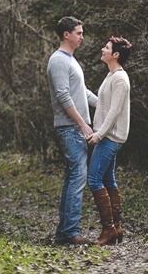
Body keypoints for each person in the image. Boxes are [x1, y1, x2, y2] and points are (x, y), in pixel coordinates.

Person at [47, 16, 98, 245]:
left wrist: (108, 104)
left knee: (73, 178)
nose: (82, 36)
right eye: (78, 32)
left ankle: (65, 232)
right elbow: (63, 96)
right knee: (78, 178)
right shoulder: (58, 60)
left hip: (74, 128)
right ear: (66, 34)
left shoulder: (71, 60)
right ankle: (70, 232)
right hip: (69, 129)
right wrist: (82, 124)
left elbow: (83, 93)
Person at [86, 35, 132, 246]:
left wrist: (99, 135)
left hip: (110, 138)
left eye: (106, 48)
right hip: (108, 136)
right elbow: (103, 105)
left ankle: (108, 230)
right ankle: (117, 228)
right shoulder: (111, 76)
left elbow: (114, 112)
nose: (102, 50)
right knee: (108, 180)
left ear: (115, 55)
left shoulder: (120, 79)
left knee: (94, 179)